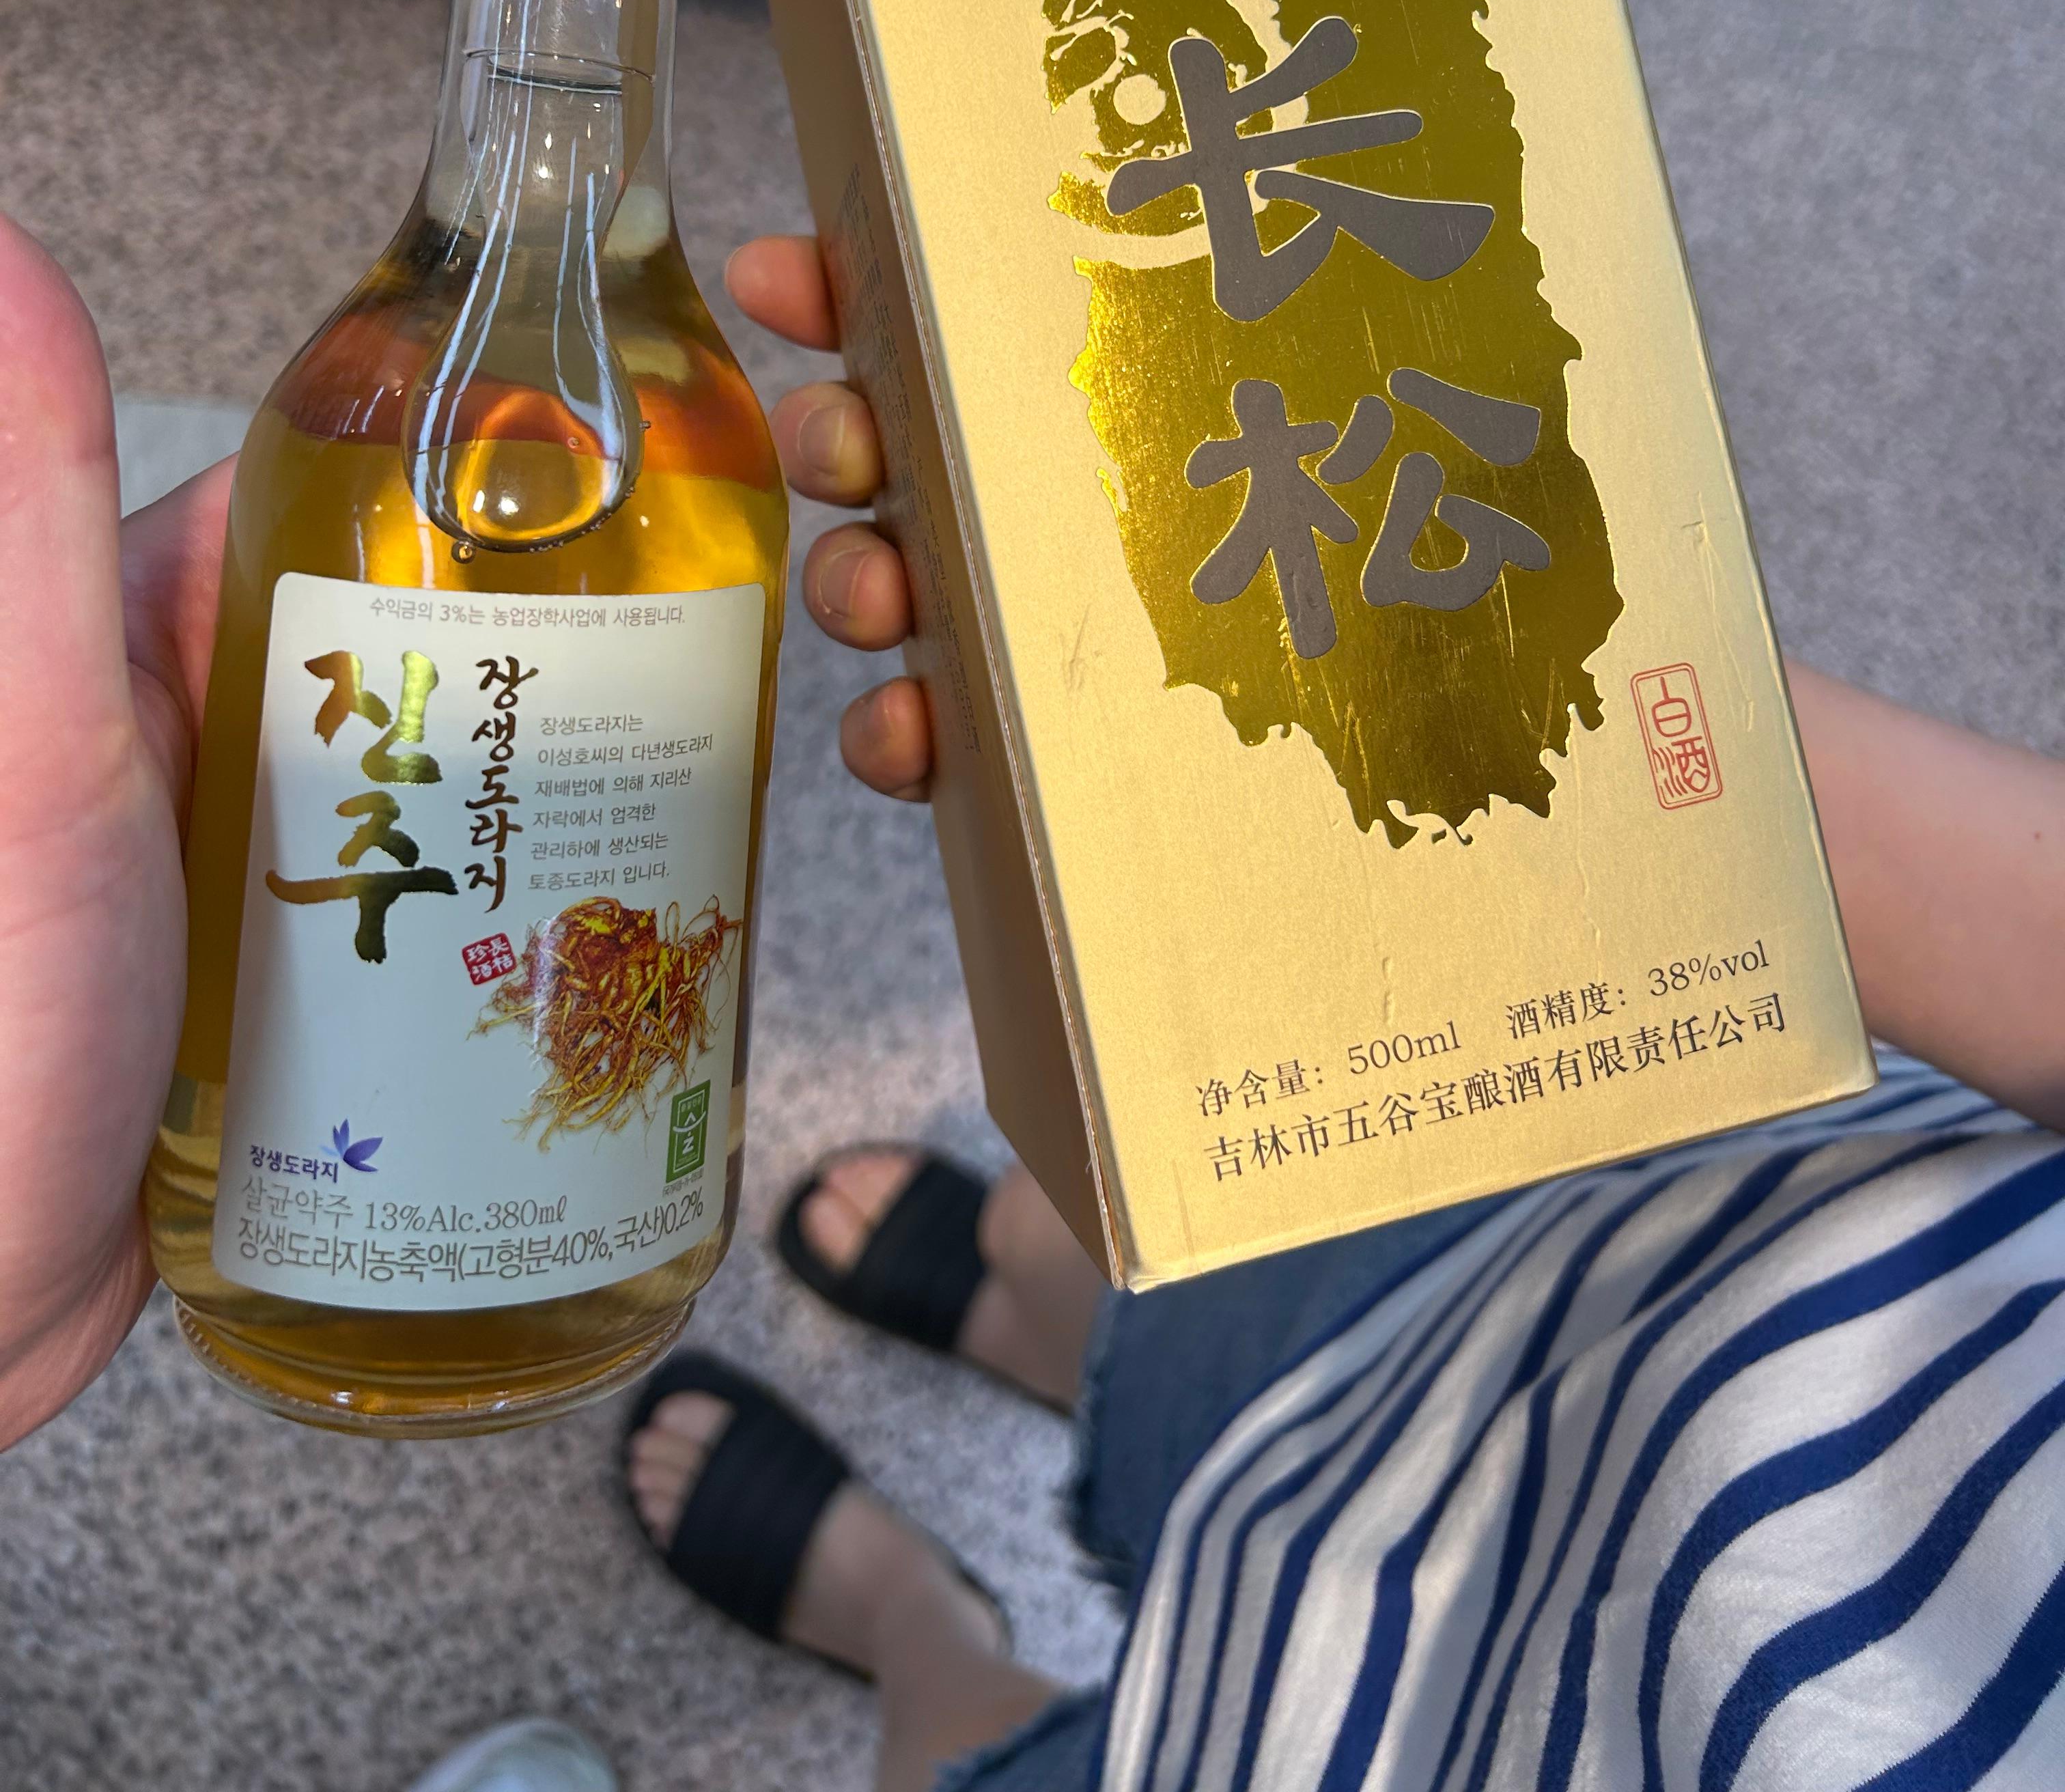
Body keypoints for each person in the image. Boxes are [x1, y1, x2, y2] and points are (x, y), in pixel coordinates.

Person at [1, 212, 2062, 1785]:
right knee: (1236, 1305)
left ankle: (918, 1630)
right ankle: (1055, 1331)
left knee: (1020, 1746)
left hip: (1332, 1741)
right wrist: (1504, 649)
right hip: (1663, 1273)